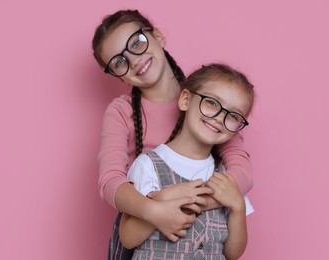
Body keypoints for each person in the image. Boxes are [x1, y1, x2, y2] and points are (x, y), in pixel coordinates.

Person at [92, 10, 253, 260]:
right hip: (143, 224)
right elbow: (110, 181)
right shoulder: (121, 111)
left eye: (137, 43)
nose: (133, 60)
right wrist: (155, 211)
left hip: (206, 224)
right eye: (119, 62)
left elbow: (241, 169)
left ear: (158, 36)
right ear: (118, 76)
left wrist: (195, 202)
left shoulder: (208, 100)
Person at [118, 63, 255, 259]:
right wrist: (162, 200)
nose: (219, 118)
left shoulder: (226, 178)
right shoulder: (148, 165)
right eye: (212, 103)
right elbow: (128, 238)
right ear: (185, 100)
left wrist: (238, 207)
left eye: (233, 115)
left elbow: (232, 253)